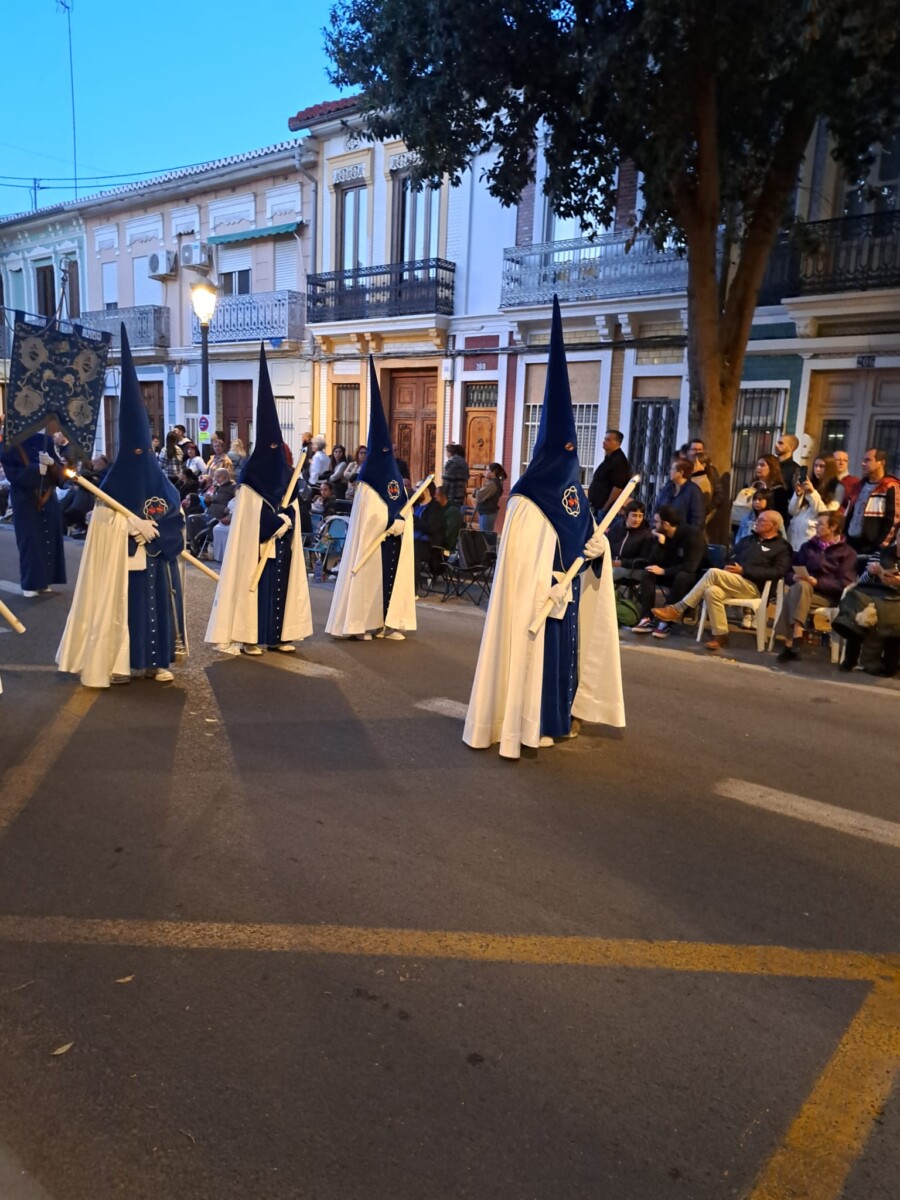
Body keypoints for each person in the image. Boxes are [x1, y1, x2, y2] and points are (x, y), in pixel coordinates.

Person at [463, 296, 624, 758]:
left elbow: (586, 537)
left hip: (565, 599)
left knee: (563, 661)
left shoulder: (573, 494)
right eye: (567, 451)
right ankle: (524, 725)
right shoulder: (527, 501)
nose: (572, 460)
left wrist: (598, 552)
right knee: (535, 659)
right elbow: (523, 561)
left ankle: (556, 718)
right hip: (537, 602)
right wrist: (544, 589)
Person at [57, 325, 187, 687]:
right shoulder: (112, 484)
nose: (140, 456)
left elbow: (177, 518)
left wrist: (157, 534)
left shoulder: (161, 481)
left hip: (156, 564)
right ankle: (121, 662)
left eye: (144, 450)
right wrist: (126, 528)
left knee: (157, 611)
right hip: (123, 566)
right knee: (123, 612)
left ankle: (158, 662)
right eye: (134, 450)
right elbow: (98, 523)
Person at [206, 346, 312, 658]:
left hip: (282, 547)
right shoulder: (251, 474)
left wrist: (289, 520)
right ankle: (249, 636)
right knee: (256, 589)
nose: (274, 451)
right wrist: (270, 525)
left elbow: (293, 504)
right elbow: (249, 516)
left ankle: (277, 636)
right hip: (257, 550)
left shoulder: (286, 473)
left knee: (280, 588)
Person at [326, 359, 416, 642]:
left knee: (389, 578)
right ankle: (359, 623)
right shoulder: (366, 484)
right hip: (373, 544)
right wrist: (386, 522)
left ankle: (388, 622)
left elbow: (401, 505)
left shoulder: (393, 476)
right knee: (367, 578)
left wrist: (401, 520)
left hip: (391, 543)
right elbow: (368, 518)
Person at [653, 509, 791, 651]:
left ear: (774, 526)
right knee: (712, 591)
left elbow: (778, 571)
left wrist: (744, 570)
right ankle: (720, 636)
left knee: (713, 573)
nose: (757, 522)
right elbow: (729, 558)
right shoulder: (747, 540)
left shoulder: (782, 547)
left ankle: (679, 608)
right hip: (732, 581)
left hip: (754, 586)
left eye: (762, 520)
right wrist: (725, 567)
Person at [773, 511, 857, 663]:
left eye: (820, 524)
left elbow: (845, 584)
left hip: (827, 596)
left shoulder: (847, 553)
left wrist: (818, 582)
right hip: (803, 591)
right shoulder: (808, 546)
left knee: (797, 590)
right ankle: (796, 635)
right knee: (800, 587)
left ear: (833, 527)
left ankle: (790, 642)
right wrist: (793, 577)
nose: (816, 527)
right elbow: (788, 571)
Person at [0, 429, 67, 596]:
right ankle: (31, 583)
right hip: (25, 499)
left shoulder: (46, 440)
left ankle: (45, 580)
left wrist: (52, 464)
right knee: (30, 540)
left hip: (47, 496)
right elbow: (12, 473)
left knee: (49, 539)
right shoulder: (9, 441)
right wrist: (36, 469)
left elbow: (61, 471)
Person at [631, 506, 707, 637]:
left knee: (682, 576)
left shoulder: (693, 535)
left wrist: (664, 572)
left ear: (665, 524)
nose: (653, 525)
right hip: (671, 572)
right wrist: (661, 544)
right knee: (648, 572)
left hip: (694, 577)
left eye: (656, 522)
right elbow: (653, 562)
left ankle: (666, 620)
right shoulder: (664, 535)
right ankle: (647, 618)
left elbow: (691, 566)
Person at [833, 527, 900, 675]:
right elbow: (861, 581)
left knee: (884, 611)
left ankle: (875, 661)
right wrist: (870, 572)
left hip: (895, 598)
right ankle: (846, 631)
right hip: (873, 592)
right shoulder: (881, 554)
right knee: (854, 597)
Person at [843, 447, 900, 560]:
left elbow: (894, 519)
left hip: (872, 548)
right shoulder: (859, 485)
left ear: (881, 463)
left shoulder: (890, 486)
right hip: (852, 544)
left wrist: (881, 546)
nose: (862, 463)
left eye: (868, 460)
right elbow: (851, 512)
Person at [786, 455, 840, 551]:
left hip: (811, 540)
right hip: (793, 538)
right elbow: (792, 511)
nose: (817, 469)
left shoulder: (837, 487)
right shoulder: (810, 483)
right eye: (815, 466)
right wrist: (798, 494)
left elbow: (825, 514)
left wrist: (812, 493)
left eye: (821, 466)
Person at [187, 468, 236, 557]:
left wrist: (229, 509)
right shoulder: (217, 487)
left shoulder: (233, 487)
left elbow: (236, 501)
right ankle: (194, 543)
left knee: (206, 524)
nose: (215, 479)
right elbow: (209, 504)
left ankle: (197, 545)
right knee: (191, 518)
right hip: (208, 513)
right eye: (215, 477)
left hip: (219, 516)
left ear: (225, 477)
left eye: (218, 477)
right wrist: (207, 500)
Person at [587, 429, 631, 518]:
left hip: (605, 509)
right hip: (597, 506)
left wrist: (605, 508)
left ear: (617, 443)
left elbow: (618, 488)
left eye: (608, 440)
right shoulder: (609, 458)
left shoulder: (618, 461)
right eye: (605, 439)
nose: (604, 442)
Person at [653, 457, 706, 529]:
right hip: (662, 534)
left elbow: (698, 520)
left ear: (681, 473)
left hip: (683, 536)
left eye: (672, 469)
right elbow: (656, 509)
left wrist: (689, 536)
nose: (670, 471)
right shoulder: (667, 489)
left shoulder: (693, 491)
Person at [608, 500, 656, 580]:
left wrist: (621, 563)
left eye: (640, 516)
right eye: (634, 515)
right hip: (611, 564)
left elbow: (644, 561)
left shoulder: (646, 535)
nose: (637, 519)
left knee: (606, 575)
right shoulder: (615, 529)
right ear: (626, 515)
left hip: (633, 569)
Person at [412, 480, 446, 591]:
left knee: (413, 549)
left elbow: (430, 528)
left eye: (418, 488)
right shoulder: (415, 506)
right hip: (412, 541)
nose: (415, 490)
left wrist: (413, 518)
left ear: (426, 491)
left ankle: (412, 589)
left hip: (429, 546)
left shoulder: (435, 508)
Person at [752, 454, 789, 520]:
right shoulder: (754, 485)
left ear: (772, 468)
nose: (758, 467)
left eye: (762, 465)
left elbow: (780, 515)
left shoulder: (779, 491)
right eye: (757, 465)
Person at [474, 462, 507, 533]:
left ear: (493, 473)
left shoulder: (492, 484)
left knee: (486, 536)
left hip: (487, 513)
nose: (485, 472)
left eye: (487, 470)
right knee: (485, 535)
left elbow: (479, 496)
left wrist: (476, 491)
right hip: (487, 512)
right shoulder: (494, 482)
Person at [442, 443, 469, 507]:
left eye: (447, 452)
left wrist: (442, 495)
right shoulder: (464, 463)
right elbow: (466, 478)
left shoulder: (451, 463)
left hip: (451, 496)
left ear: (450, 453)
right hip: (460, 495)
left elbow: (446, 482)